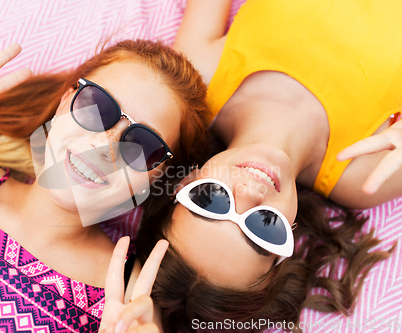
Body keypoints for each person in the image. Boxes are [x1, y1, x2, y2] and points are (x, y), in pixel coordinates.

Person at [0, 40, 210, 332]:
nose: (103, 146)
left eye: (142, 145)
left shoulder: (128, 297)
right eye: (98, 106)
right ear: (65, 101)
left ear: (157, 175)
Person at [135, 0, 402, 331]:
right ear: (285, 248)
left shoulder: (199, 76)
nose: (249, 195)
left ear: (187, 180)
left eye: (211, 199)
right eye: (263, 228)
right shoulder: (362, 177)